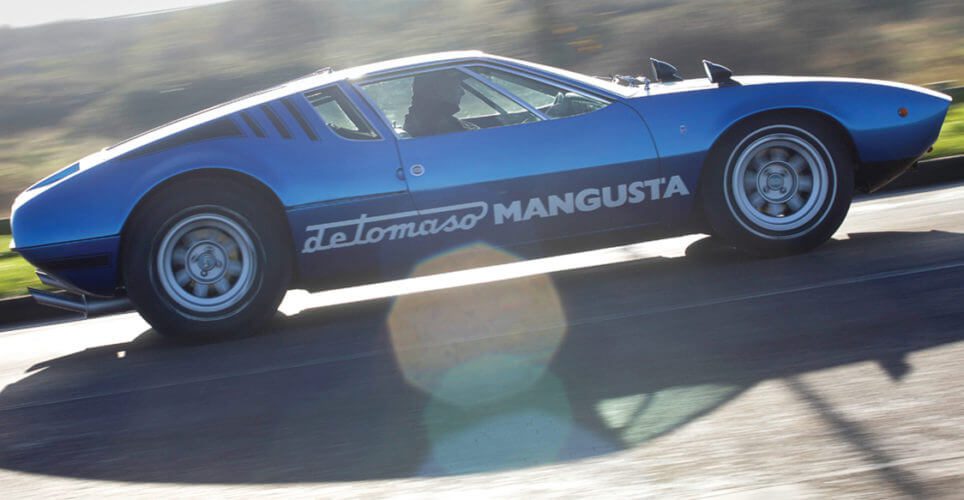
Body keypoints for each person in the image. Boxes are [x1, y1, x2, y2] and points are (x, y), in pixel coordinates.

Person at [403, 71, 478, 137]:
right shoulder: (438, 126)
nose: (462, 92)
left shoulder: (430, 119)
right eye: (456, 84)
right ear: (436, 90)